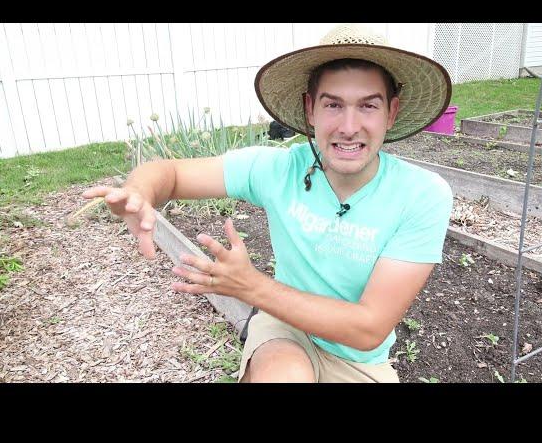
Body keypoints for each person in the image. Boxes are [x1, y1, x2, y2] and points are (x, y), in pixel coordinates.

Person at [82, 24, 453, 383]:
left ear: (392, 112)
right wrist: (139, 192)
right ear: (310, 110)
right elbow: (170, 172)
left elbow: (368, 327)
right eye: (333, 105)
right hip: (285, 329)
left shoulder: (421, 196)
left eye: (368, 106)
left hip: (357, 359)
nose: (349, 126)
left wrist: (251, 287)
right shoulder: (279, 169)